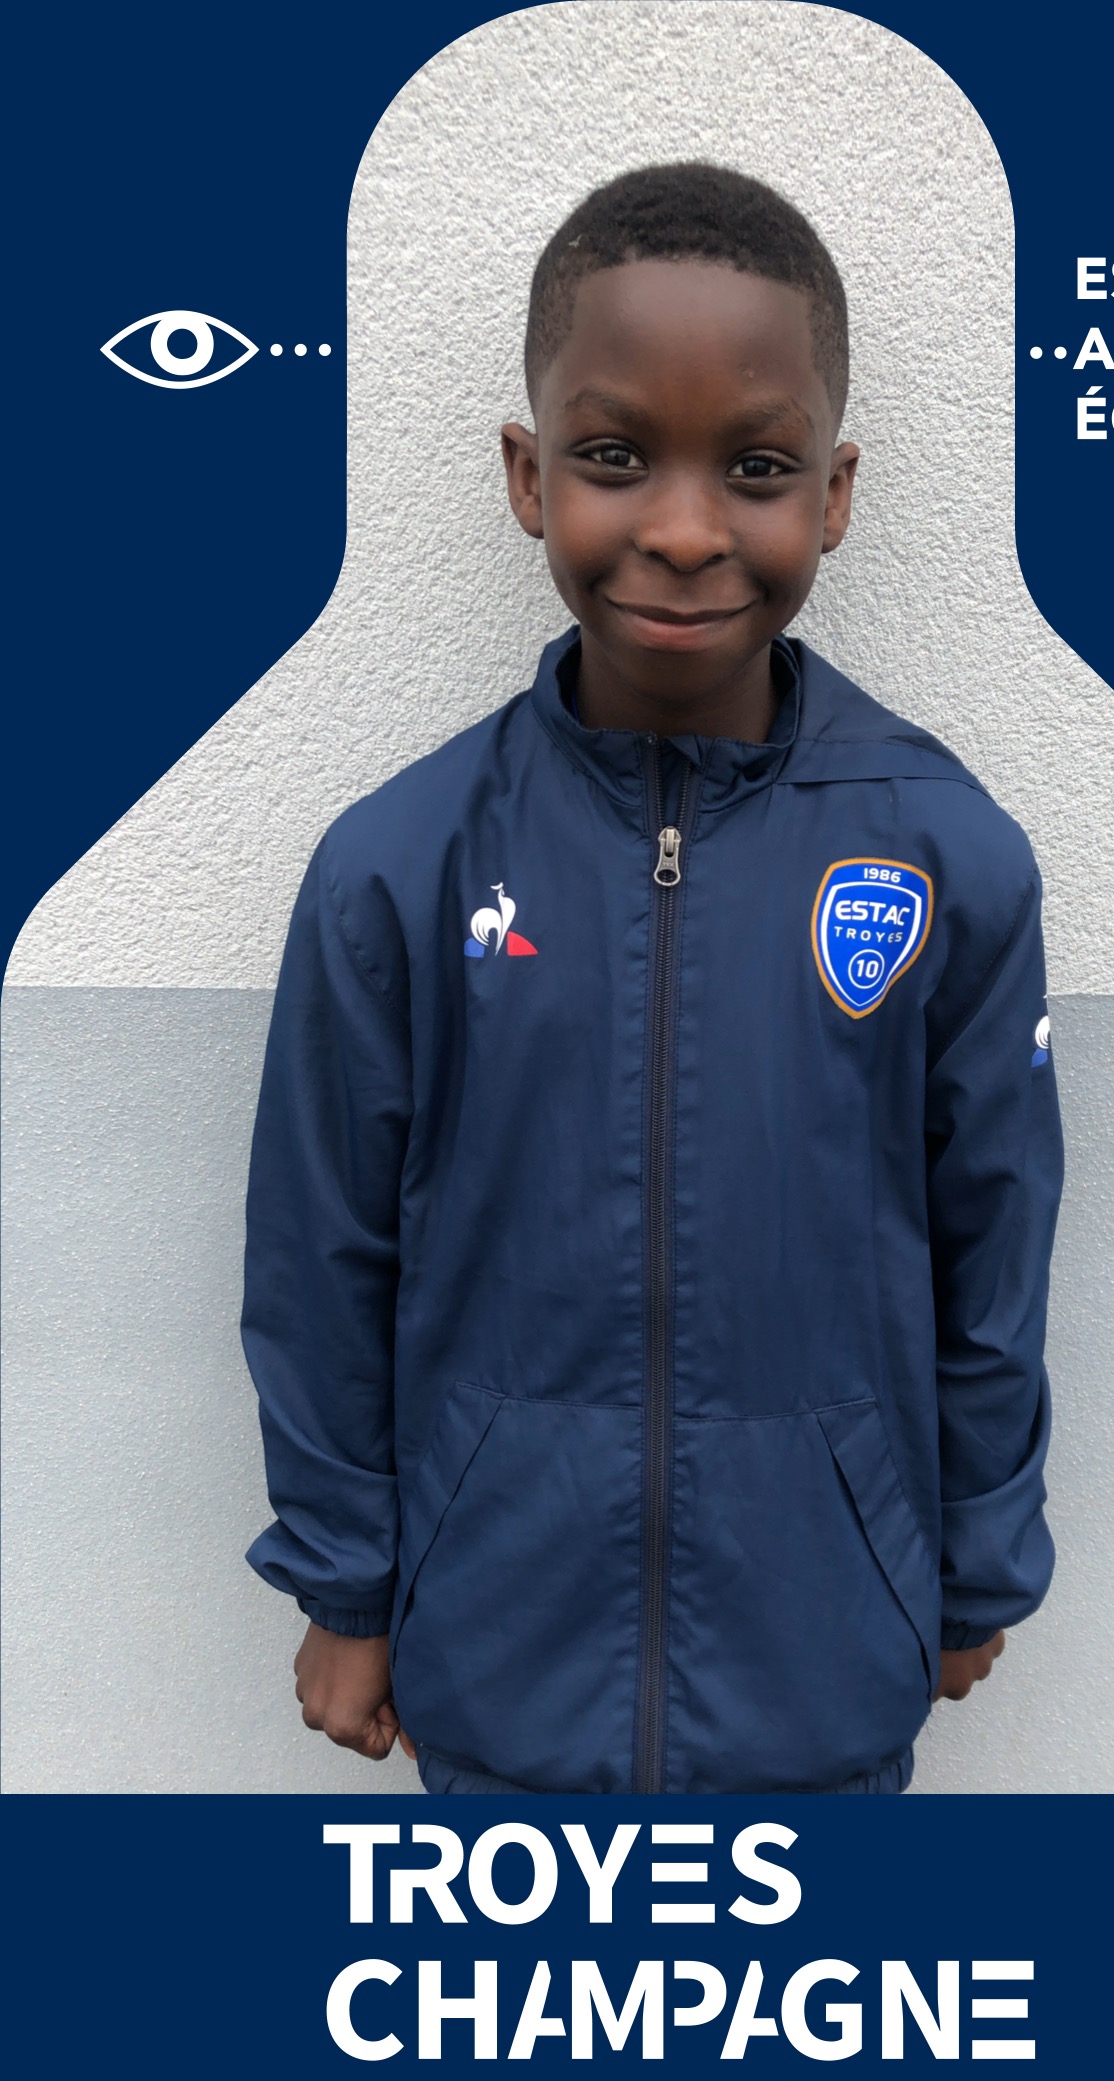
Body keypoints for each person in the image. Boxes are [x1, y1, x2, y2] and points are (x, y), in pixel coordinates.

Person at [242, 163, 1062, 1795]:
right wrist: (345, 1579)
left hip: (826, 1665)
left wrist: (972, 1554)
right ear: (528, 474)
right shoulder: (398, 865)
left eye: (754, 468)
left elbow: (994, 1243)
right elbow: (321, 1256)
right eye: (616, 457)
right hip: (496, 1670)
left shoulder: (945, 856)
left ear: (832, 493)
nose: (684, 530)